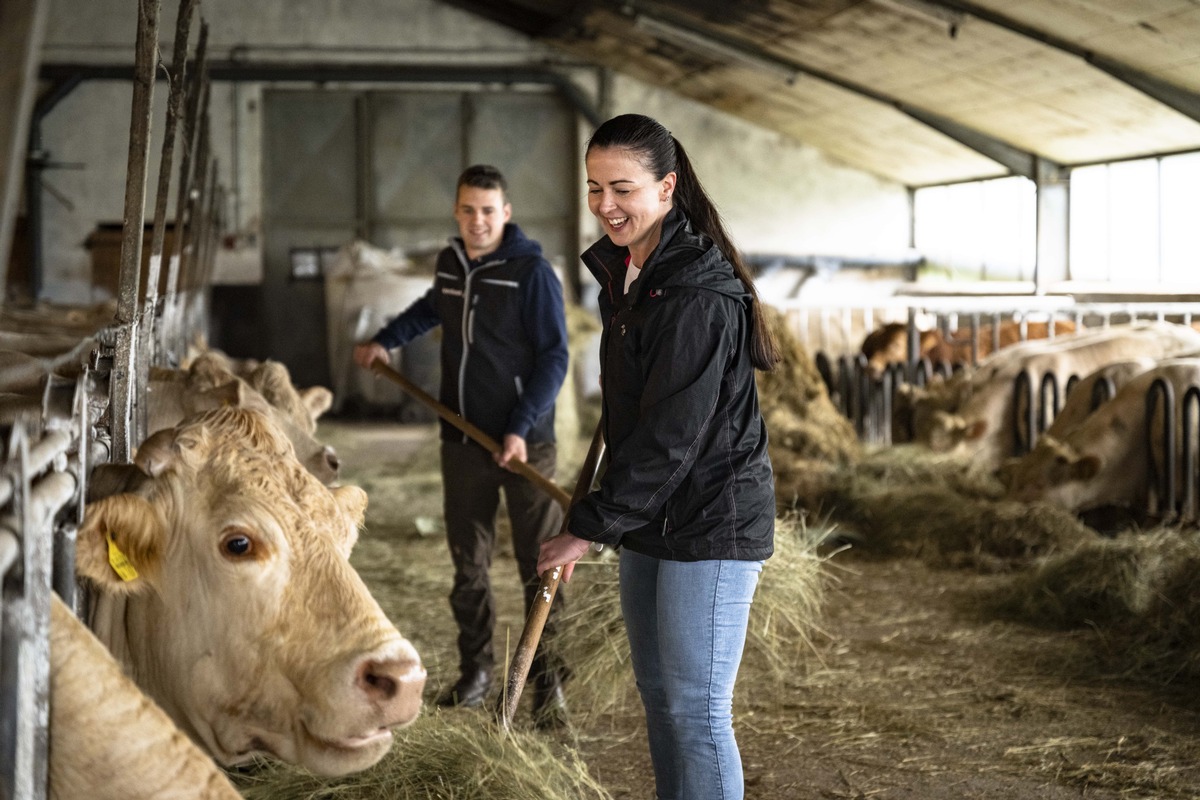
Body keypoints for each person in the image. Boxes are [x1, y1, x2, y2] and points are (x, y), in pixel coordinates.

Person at [537, 114, 779, 799]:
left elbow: (674, 432)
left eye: (622, 187)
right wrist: (608, 516)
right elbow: (636, 422)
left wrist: (590, 526)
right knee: (663, 699)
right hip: (653, 515)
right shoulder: (631, 276)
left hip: (709, 520)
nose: (604, 204)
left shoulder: (694, 290)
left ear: (668, 188)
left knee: (698, 712)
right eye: (593, 188)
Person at [354, 164, 571, 728]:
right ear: (457, 211)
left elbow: (555, 358)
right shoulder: (452, 264)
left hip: (525, 445)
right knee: (467, 563)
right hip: (463, 439)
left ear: (506, 213)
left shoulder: (532, 273)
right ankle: (476, 672)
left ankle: (548, 683)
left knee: (540, 564)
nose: (478, 221)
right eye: (468, 210)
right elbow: (433, 310)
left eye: (488, 210)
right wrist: (384, 341)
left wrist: (522, 426)